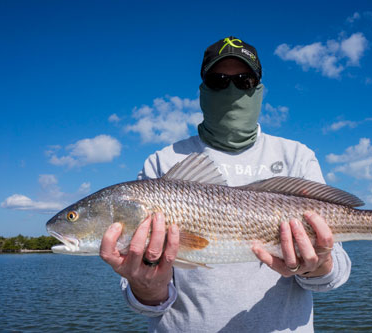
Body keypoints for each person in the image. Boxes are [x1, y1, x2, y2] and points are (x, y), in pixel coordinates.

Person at [100, 36, 351, 332]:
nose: (231, 90)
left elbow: (336, 270)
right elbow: (144, 299)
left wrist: (318, 266)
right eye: (219, 81)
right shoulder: (162, 162)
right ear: (203, 90)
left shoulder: (297, 156)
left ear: (258, 89)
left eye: (244, 81)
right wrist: (146, 288)